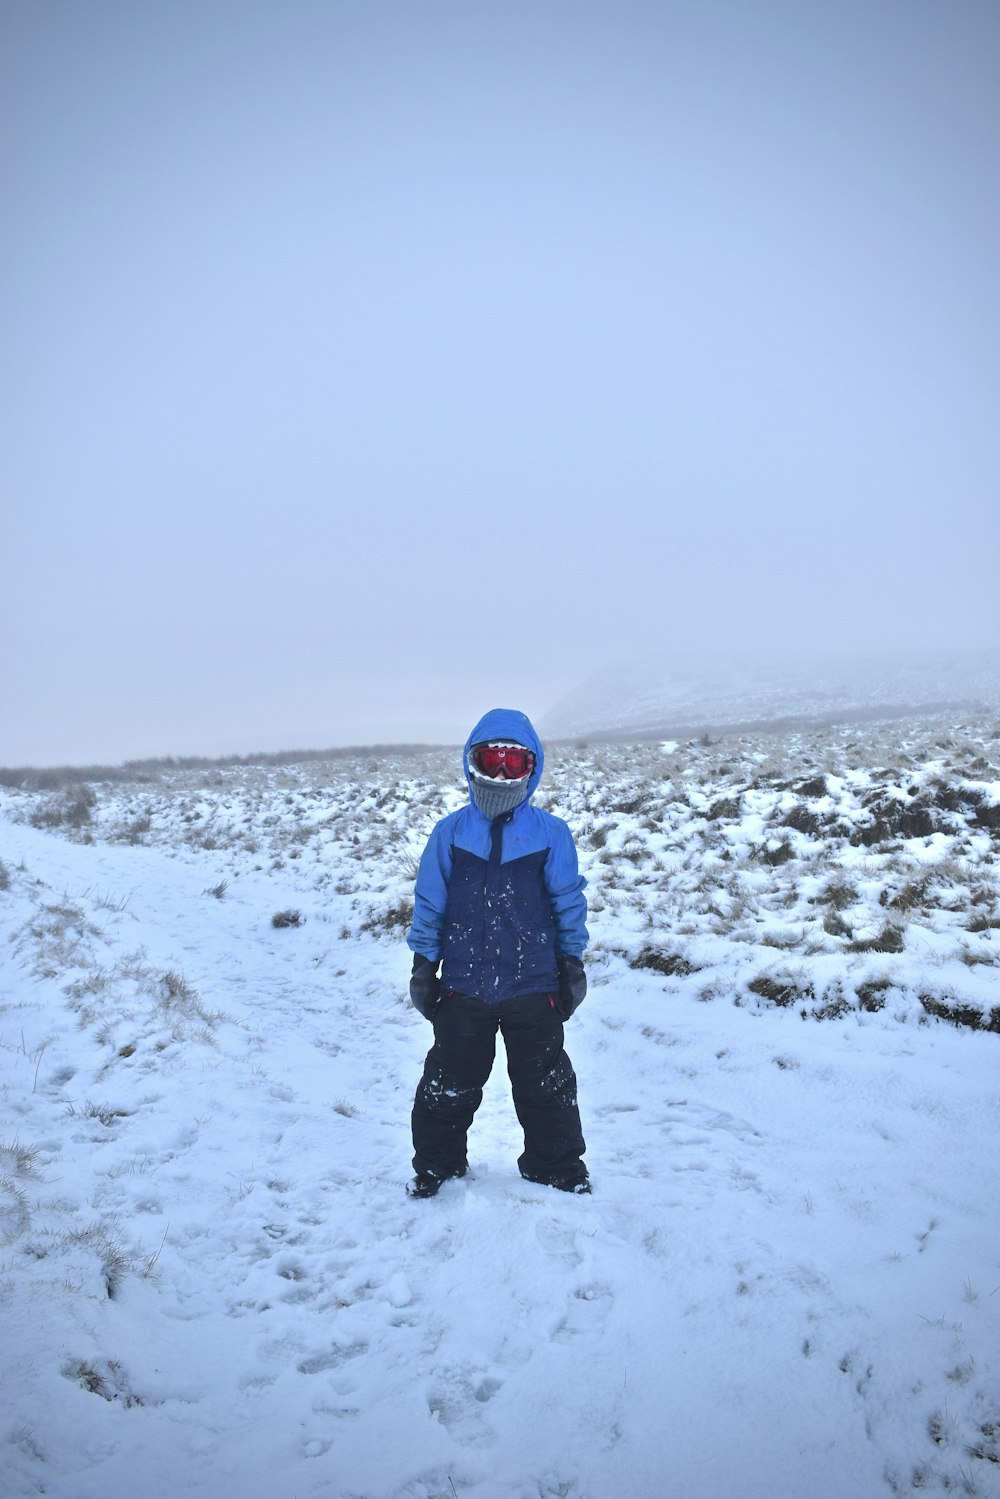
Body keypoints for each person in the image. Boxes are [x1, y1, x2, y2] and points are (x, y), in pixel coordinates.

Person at [405, 707, 590, 1198]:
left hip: (535, 987)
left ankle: (556, 1167)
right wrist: (424, 966)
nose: (502, 774)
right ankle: (437, 1168)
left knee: (547, 1087)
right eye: (492, 762)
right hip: (463, 987)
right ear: (471, 764)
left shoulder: (551, 834)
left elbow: (568, 902)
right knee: (448, 1084)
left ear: (533, 768)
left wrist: (571, 963)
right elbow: (430, 904)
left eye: (514, 763)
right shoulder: (449, 833)